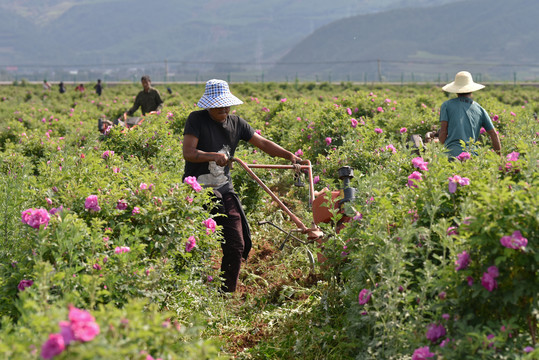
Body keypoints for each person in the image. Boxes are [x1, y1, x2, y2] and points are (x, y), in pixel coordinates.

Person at [182, 79, 302, 293]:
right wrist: (213, 156)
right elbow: (189, 152)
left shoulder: (237, 123)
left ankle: (225, 293)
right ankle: (189, 288)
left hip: (223, 190)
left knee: (236, 242)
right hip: (196, 191)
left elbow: (263, 143)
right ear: (209, 104)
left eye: (226, 104)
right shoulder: (196, 120)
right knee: (191, 242)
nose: (224, 108)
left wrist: (289, 156)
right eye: (218, 105)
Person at [439, 71, 501, 158]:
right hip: (472, 156)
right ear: (471, 91)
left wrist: (438, 151)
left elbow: (443, 131)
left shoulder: (447, 105)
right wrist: (499, 157)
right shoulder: (480, 109)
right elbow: (494, 134)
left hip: (451, 154)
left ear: (456, 91)